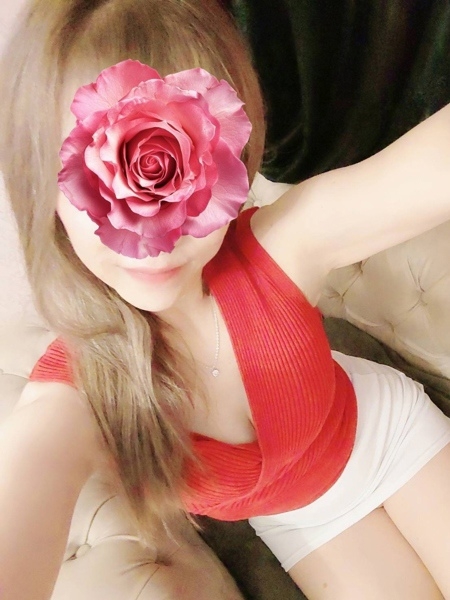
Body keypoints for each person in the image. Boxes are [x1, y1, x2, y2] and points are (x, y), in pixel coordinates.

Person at [0, 1, 449, 599]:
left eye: (179, 171)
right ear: (42, 187)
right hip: (303, 523)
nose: (155, 237)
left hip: (387, 437)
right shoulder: (79, 393)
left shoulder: (279, 248)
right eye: (96, 182)